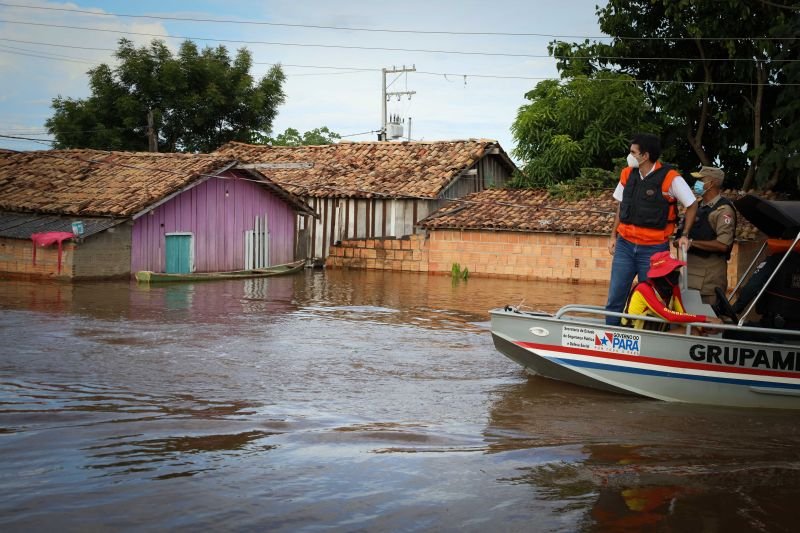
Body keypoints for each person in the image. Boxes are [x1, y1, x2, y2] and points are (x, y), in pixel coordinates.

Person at [605, 133, 698, 325]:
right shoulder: (627, 174)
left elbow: (692, 204)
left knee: (654, 300)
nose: (629, 156)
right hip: (625, 246)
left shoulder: (670, 178)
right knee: (615, 297)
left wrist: (685, 235)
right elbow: (621, 206)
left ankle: (645, 340)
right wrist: (613, 235)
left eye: (633, 152)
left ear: (645, 156)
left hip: (654, 251)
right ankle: (610, 340)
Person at [676, 166, 737, 305]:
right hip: (688, 276)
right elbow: (679, 237)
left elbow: (723, 245)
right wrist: (680, 240)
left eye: (701, 180)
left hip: (708, 281)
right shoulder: (695, 207)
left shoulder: (723, 210)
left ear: (712, 183)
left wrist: (692, 242)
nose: (696, 184)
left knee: (707, 322)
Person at [622, 251, 721, 330]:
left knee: (695, 332)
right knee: (693, 333)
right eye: (673, 270)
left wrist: (703, 328)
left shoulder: (673, 288)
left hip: (655, 338)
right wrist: (705, 319)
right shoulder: (643, 289)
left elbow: (682, 315)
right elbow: (669, 316)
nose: (677, 273)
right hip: (635, 339)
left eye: (677, 269)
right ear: (661, 275)